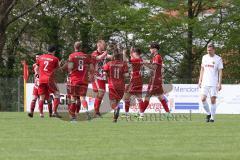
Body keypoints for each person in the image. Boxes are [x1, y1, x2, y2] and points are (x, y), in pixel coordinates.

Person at [141, 42, 170, 118]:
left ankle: (141, 114)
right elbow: (151, 63)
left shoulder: (157, 57)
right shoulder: (155, 57)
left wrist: (144, 63)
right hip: (156, 79)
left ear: (154, 49)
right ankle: (168, 113)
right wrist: (144, 62)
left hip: (155, 80)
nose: (149, 49)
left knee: (147, 96)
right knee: (160, 97)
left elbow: (154, 67)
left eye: (150, 48)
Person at [68, 42, 93, 121]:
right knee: (82, 98)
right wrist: (89, 74)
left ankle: (73, 118)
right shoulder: (86, 56)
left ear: (74, 47)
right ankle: (86, 112)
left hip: (75, 80)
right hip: (84, 80)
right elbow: (92, 68)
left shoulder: (71, 56)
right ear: (81, 47)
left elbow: (70, 68)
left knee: (73, 98)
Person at [198, 42, 223, 122]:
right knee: (202, 99)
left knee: (212, 100)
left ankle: (212, 118)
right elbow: (202, 69)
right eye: (207, 50)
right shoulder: (204, 57)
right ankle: (208, 113)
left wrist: (219, 83)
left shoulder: (218, 59)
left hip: (213, 83)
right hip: (205, 82)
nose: (209, 51)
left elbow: (220, 72)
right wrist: (200, 80)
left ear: (214, 50)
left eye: (210, 50)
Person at [103, 49, 128, 122]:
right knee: (117, 101)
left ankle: (116, 109)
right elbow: (126, 75)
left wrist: (107, 75)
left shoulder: (109, 64)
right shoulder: (123, 64)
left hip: (112, 85)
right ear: (120, 56)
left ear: (113, 56)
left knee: (112, 102)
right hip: (121, 86)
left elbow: (104, 74)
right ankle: (115, 119)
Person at [36, 45, 61, 118]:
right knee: (57, 94)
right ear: (54, 51)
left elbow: (37, 68)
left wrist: (39, 75)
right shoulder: (55, 59)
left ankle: (41, 114)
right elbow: (58, 70)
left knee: (41, 97)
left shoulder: (40, 57)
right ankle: (54, 112)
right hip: (49, 80)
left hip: (41, 79)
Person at [91, 40, 112, 117]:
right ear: (99, 45)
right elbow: (98, 58)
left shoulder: (104, 53)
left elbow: (111, 56)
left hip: (102, 76)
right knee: (101, 92)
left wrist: (117, 53)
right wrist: (106, 53)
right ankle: (96, 111)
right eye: (103, 45)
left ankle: (96, 110)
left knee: (101, 93)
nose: (105, 46)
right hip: (96, 75)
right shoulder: (94, 53)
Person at [122, 47, 144, 118]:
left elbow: (127, 60)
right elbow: (130, 59)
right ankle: (141, 114)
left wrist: (124, 53)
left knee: (126, 96)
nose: (132, 54)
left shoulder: (136, 59)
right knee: (139, 97)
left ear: (136, 53)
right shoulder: (140, 59)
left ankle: (127, 113)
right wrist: (131, 51)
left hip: (135, 80)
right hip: (139, 80)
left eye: (133, 52)